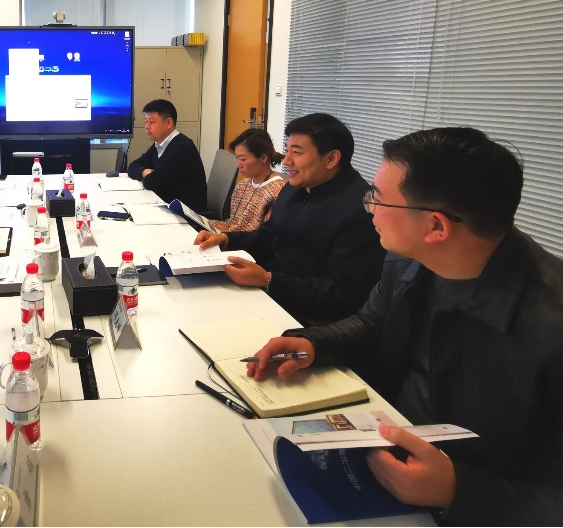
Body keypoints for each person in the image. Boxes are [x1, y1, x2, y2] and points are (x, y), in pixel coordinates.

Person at [245, 127, 563, 525]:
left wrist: (459, 490)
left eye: (378, 199)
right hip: (385, 448)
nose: (369, 209)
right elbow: (372, 323)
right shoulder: (408, 259)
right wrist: (312, 343)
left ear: (436, 227)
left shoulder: (549, 324)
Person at [195, 113, 384, 324]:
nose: (286, 161)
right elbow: (268, 235)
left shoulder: (362, 210)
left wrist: (269, 281)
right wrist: (226, 240)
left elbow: (344, 295)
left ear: (331, 159)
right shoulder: (296, 187)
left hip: (309, 320)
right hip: (270, 295)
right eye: (287, 151)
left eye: (296, 153)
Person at [127, 98, 207, 211]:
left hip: (185, 213)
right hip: (167, 204)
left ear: (168, 123)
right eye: (146, 122)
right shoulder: (160, 144)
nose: (147, 127)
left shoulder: (182, 147)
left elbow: (152, 183)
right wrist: (145, 172)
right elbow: (132, 166)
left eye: (152, 122)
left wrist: (149, 176)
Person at [208, 128, 286, 233]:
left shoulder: (277, 192)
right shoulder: (243, 185)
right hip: (232, 237)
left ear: (263, 158)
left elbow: (264, 236)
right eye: (237, 159)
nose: (238, 165)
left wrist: (226, 234)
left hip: (246, 242)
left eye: (243, 159)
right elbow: (233, 224)